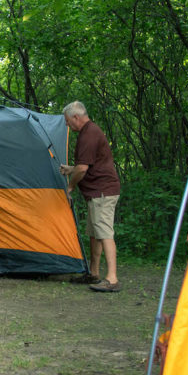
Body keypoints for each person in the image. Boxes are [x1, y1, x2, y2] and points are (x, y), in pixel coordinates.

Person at [59, 101, 121, 292]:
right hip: (97, 192)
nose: (68, 125)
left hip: (102, 192)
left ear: (76, 117)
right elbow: (87, 165)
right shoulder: (89, 132)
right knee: (94, 234)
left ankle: (112, 279)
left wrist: (69, 187)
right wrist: (71, 169)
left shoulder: (89, 135)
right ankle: (94, 273)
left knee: (104, 233)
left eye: (68, 121)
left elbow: (83, 169)